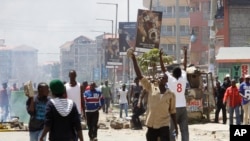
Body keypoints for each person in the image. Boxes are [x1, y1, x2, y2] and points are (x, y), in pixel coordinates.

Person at [128, 48, 178, 141]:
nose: (160, 78)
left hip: (164, 124)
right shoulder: (150, 87)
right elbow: (140, 76)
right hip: (151, 123)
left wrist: (176, 126)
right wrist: (134, 59)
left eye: (163, 77)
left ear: (166, 80)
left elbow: (173, 112)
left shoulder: (171, 94)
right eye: (159, 76)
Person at [165, 61, 189, 140]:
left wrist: (160, 57)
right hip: (183, 106)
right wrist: (185, 54)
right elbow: (185, 68)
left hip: (173, 108)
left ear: (174, 74)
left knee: (172, 129)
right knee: (184, 129)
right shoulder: (183, 79)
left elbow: (163, 70)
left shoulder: (171, 80)